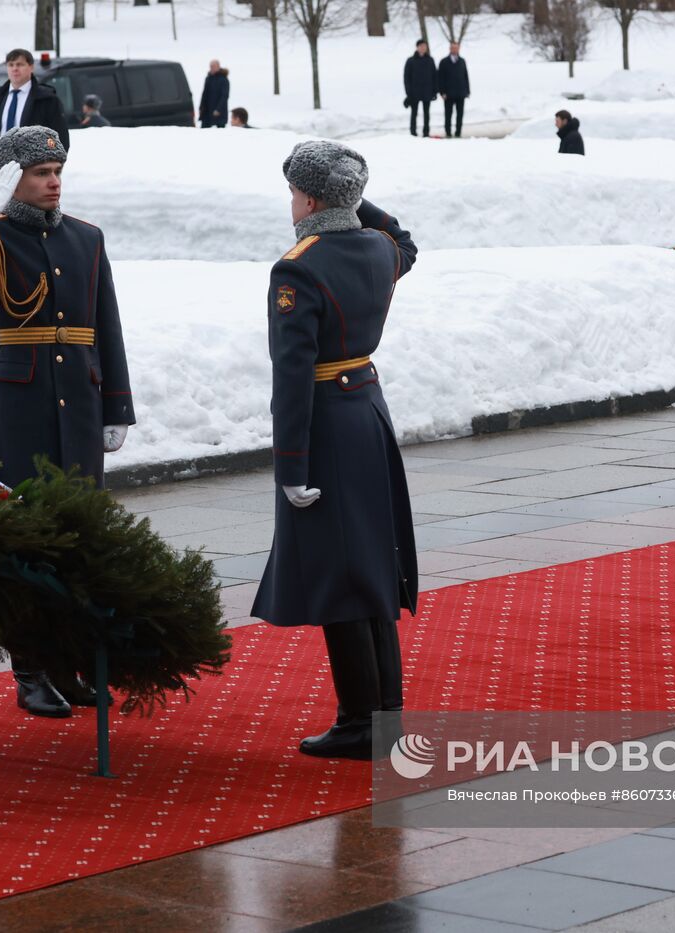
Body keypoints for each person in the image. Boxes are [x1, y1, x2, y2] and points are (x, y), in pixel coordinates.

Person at [0, 126, 136, 717]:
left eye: (57, 171)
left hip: (80, 395)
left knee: (77, 537)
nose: (54, 181)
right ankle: (30, 671)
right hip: (21, 404)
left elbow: (107, 325)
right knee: (25, 535)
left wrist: (116, 405)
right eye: (40, 173)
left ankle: (69, 665)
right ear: (9, 181)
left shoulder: (87, 238)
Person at [252, 140, 419, 761]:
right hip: (368, 413)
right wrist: (350, 200)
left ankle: (359, 723)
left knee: (340, 574)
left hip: (325, 424)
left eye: (297, 191)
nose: (290, 202)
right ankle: (385, 718)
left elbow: (290, 376)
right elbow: (404, 237)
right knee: (371, 567)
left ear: (312, 199)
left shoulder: (298, 267)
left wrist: (290, 465)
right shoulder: (378, 249)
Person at [0, 49, 69, 195]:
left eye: (20, 64)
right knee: (1, 216)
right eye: (11, 65)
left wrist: (48, 171)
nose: (15, 69)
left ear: (31, 67)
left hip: (32, 173)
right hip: (0, 173)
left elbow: (60, 139)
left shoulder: (47, 100)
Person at [403, 39, 436, 137]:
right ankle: (413, 132)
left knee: (427, 114)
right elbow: (406, 78)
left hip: (427, 92)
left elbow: (434, 76)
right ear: (417, 47)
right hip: (414, 93)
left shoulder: (430, 60)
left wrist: (434, 91)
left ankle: (426, 132)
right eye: (421, 46)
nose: (423, 48)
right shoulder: (410, 61)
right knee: (414, 113)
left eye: (424, 46)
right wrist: (408, 92)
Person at [437, 41, 470, 139]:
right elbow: (440, 78)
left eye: (456, 48)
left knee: (460, 115)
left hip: (460, 93)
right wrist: (442, 92)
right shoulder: (443, 62)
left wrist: (467, 91)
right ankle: (448, 133)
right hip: (448, 94)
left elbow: (465, 76)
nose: (455, 49)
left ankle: (458, 132)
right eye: (453, 48)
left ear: (459, 49)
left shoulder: (462, 61)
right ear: (450, 49)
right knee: (448, 115)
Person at [199, 59, 230, 128]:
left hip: (219, 112)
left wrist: (218, 109)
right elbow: (204, 94)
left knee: (220, 131)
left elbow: (224, 96)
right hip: (207, 111)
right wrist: (201, 107)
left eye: (213, 66)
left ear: (218, 67)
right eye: (210, 66)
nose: (211, 68)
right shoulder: (208, 78)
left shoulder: (224, 80)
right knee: (204, 130)